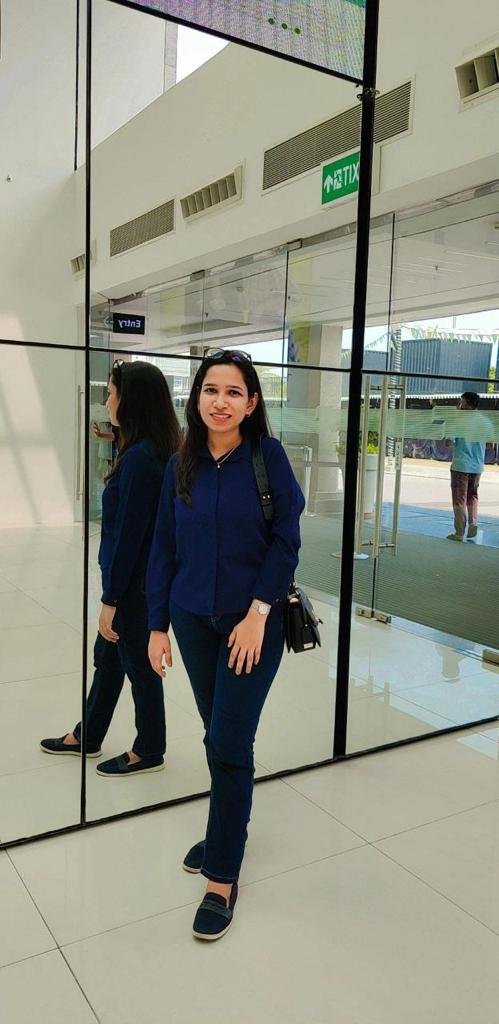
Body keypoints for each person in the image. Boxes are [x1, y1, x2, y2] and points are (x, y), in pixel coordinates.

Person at [147, 348, 304, 941]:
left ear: (252, 402)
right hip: (192, 619)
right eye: (211, 390)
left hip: (251, 624)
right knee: (217, 732)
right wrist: (157, 625)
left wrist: (259, 612)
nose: (221, 402)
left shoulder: (267, 458)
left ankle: (221, 875)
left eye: (234, 392)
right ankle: (225, 828)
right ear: (196, 399)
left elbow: (287, 539)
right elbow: (163, 547)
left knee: (231, 741)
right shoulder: (180, 463)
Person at [41, 360, 181, 776]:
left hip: (132, 587)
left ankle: (149, 749)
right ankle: (89, 734)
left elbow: (130, 538)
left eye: (112, 393)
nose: (107, 401)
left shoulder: (140, 459)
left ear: (131, 401)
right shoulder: (149, 450)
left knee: (138, 666)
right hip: (135, 582)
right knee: (108, 658)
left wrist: (111, 598)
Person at [446, 391, 487, 541]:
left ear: (467, 404)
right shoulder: (484, 421)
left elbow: (449, 442)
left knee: (459, 499)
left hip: (461, 466)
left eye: (461, 402)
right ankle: (473, 523)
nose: (458, 405)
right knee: (472, 496)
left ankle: (459, 532)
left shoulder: (459, 421)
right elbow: (490, 443)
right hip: (477, 466)